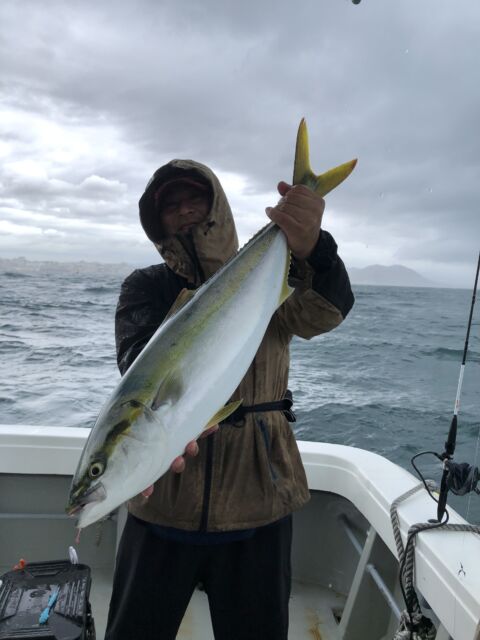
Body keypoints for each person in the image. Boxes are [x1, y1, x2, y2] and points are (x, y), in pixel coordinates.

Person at [104, 158, 354, 640]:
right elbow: (137, 368)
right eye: (171, 206)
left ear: (217, 204)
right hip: (164, 500)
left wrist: (313, 248)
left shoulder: (272, 274)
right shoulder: (147, 286)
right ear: (157, 223)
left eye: (194, 199)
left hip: (257, 498)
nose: (183, 211)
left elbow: (324, 313)